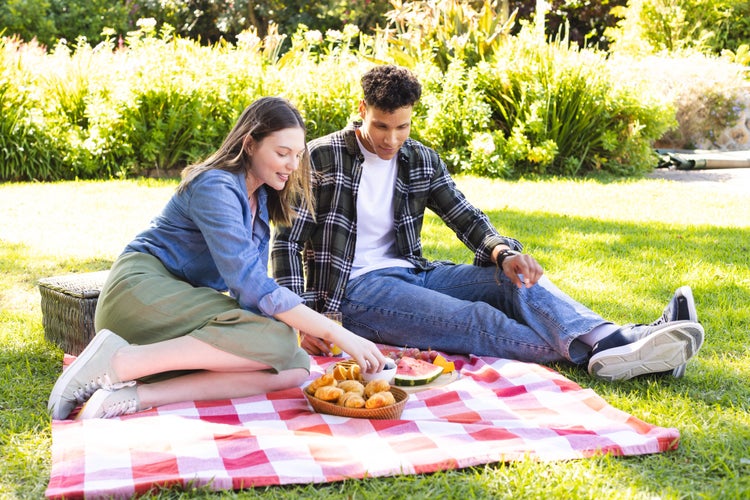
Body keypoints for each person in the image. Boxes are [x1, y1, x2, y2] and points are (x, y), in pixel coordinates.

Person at [271, 65, 704, 382]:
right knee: (478, 318)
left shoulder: (419, 158)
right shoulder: (321, 157)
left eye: (401, 127)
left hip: (414, 272)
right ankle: (620, 349)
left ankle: (617, 341)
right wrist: (303, 321)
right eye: (381, 126)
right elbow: (287, 243)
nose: (390, 139)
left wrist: (503, 253)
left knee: (514, 283)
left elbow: (463, 214)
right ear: (362, 109)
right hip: (355, 293)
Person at [48, 97, 387, 421]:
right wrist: (337, 332)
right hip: (141, 294)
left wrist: (297, 331)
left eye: (298, 155)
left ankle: (132, 396)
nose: (293, 166)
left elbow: (253, 299)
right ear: (250, 143)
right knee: (280, 340)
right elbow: (250, 284)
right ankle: (118, 361)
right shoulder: (216, 185)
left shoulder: (261, 200)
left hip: (182, 310)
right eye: (283, 153)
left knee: (293, 365)